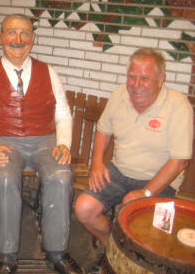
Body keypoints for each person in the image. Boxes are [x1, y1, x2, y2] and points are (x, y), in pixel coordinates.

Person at [0, 14, 83, 274]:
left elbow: (63, 114)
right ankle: (8, 255)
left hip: (46, 141)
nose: (18, 39)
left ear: (33, 39)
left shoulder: (49, 72)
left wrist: (64, 143)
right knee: (5, 179)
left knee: (61, 176)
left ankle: (57, 252)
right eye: (11, 32)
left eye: (24, 33)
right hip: (6, 142)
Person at [74, 48, 193, 273]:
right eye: (131, 76)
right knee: (84, 208)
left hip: (161, 182)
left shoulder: (178, 106)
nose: (136, 84)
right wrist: (97, 163)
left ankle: (134, 262)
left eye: (145, 78)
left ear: (161, 80)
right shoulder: (119, 94)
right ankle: (115, 251)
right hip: (119, 172)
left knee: (146, 225)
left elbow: (178, 161)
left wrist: (146, 192)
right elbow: (102, 130)